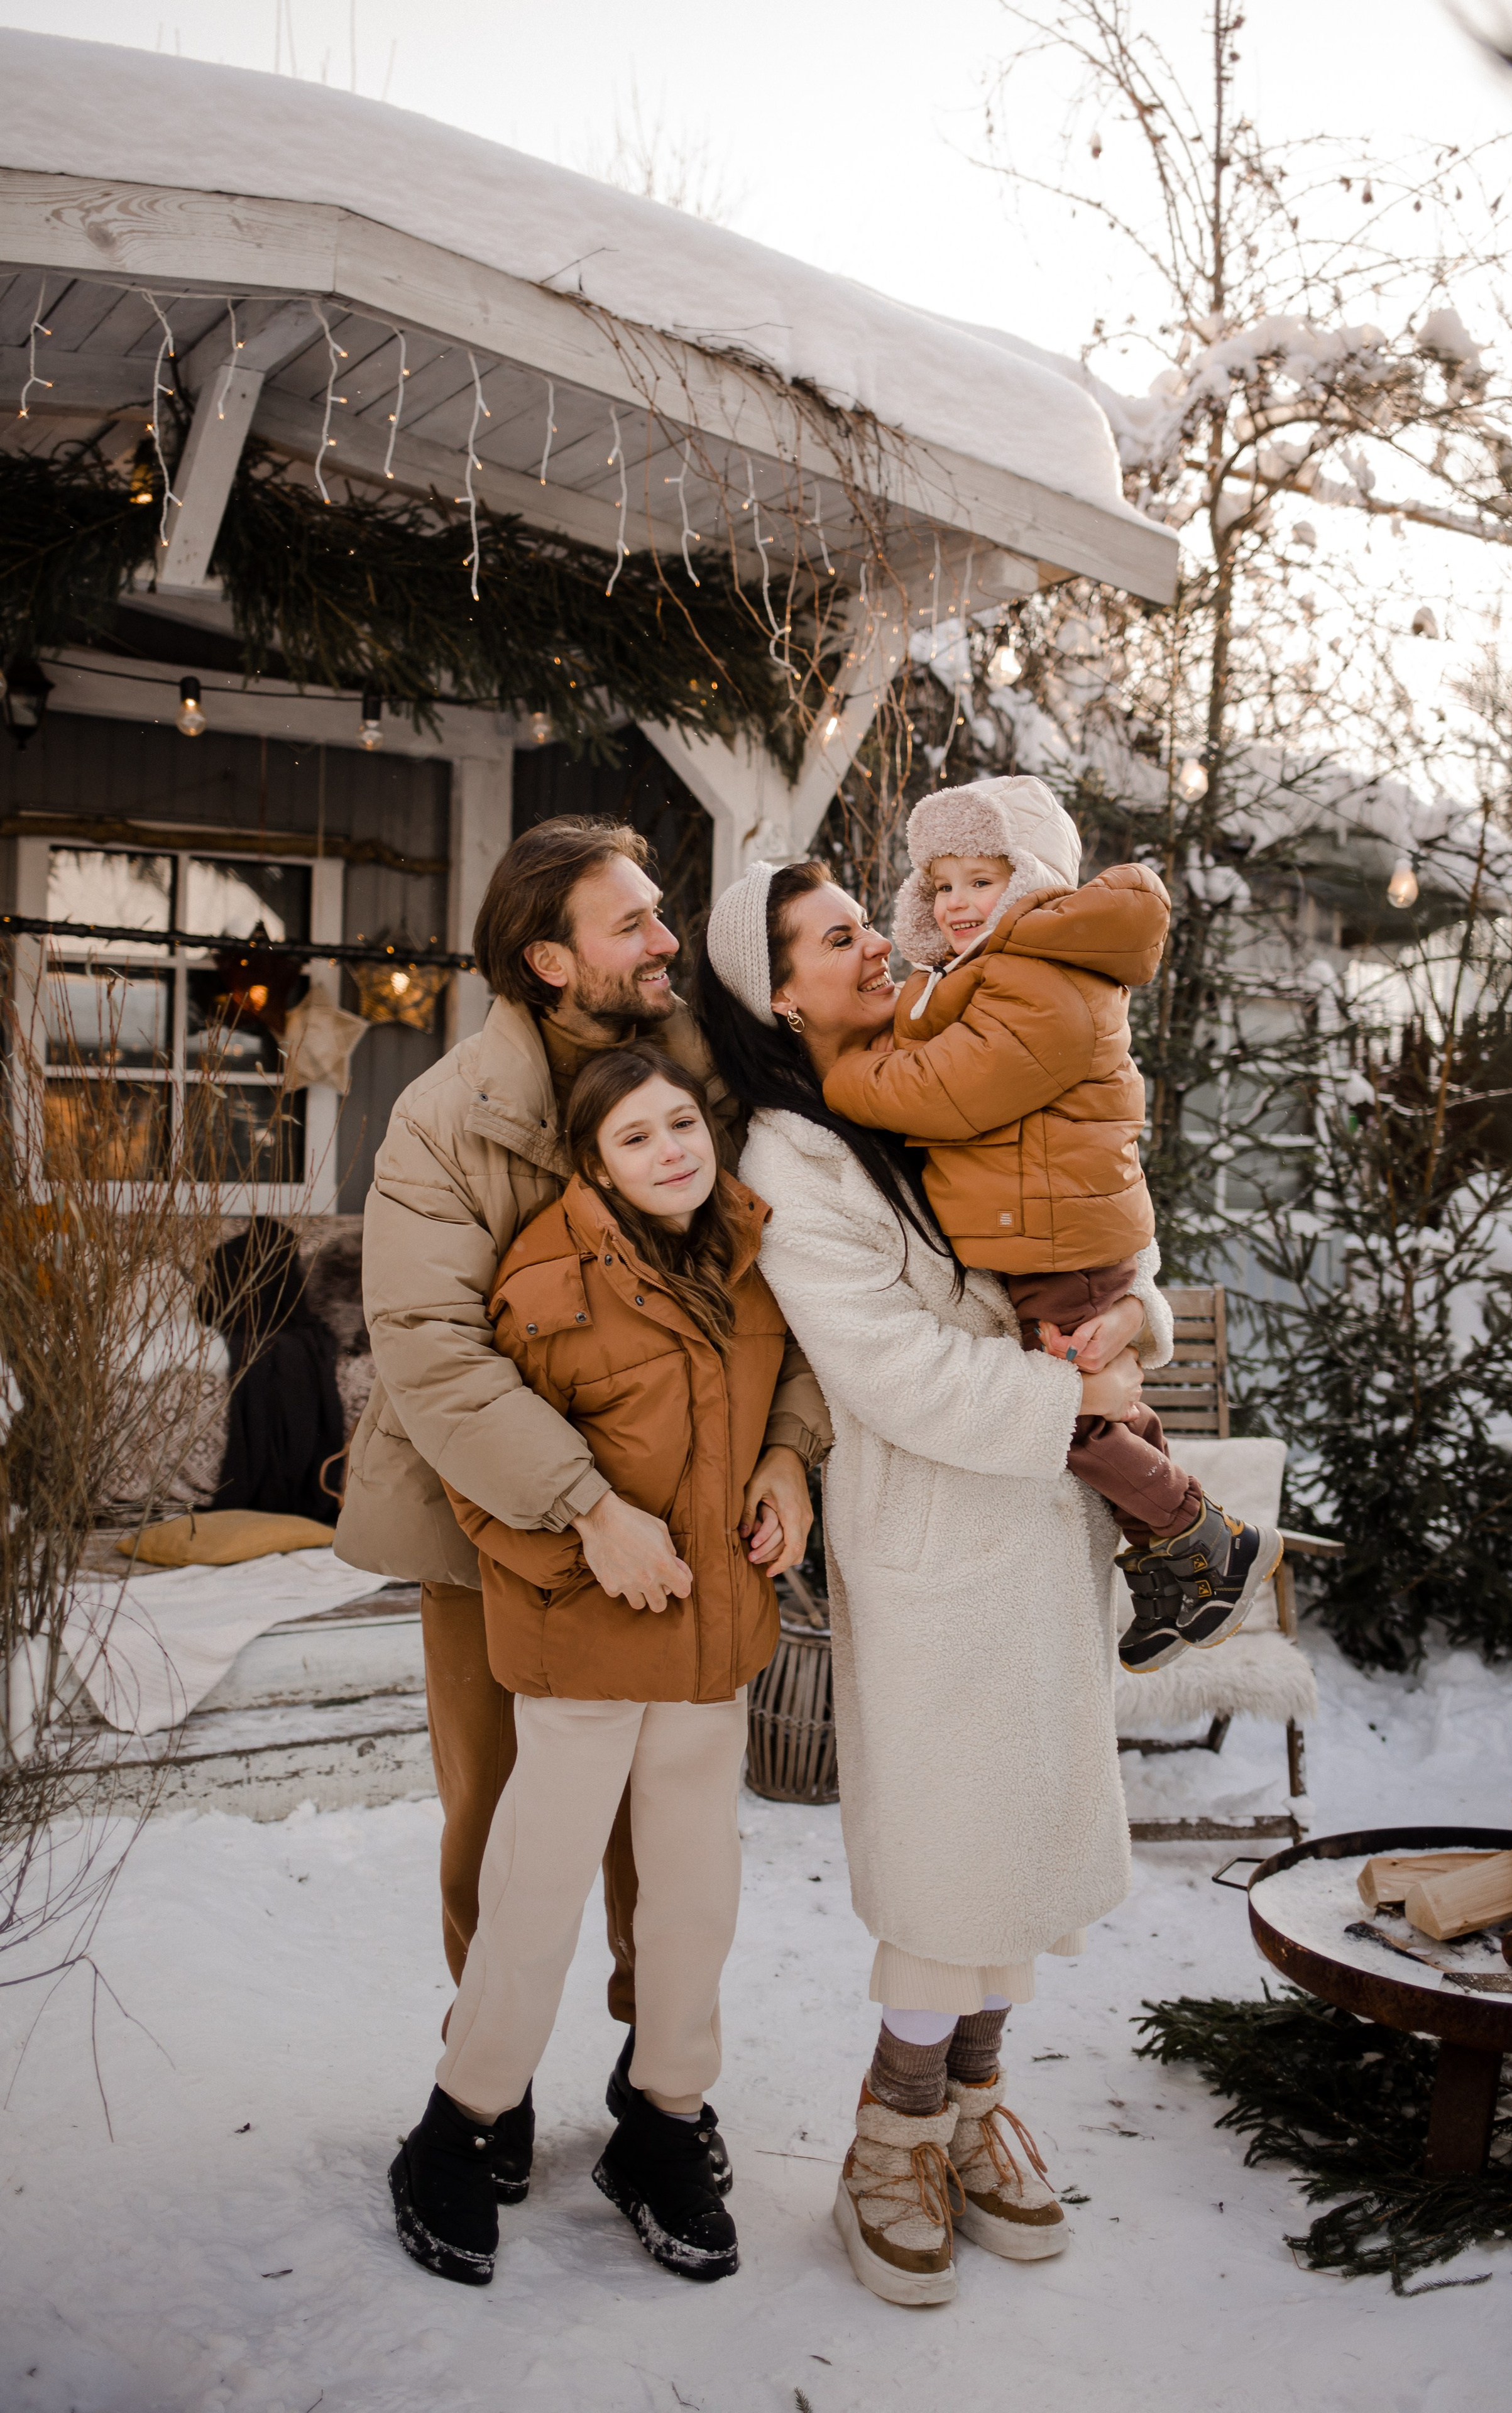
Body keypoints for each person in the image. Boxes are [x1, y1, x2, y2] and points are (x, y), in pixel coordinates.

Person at [696, 857, 1172, 2308]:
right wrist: (1072, 1402)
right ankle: (890, 2132)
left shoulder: (946, 1064)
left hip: (1044, 1526)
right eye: (832, 938)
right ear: (776, 995)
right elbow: (885, 1368)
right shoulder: (791, 1153)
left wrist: (1131, 1319)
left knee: (1019, 1837)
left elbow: (1089, 1205)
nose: (871, 943)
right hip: (939, 1535)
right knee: (945, 1857)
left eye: (864, 920)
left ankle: (972, 2109)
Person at [335, 819, 829, 2206]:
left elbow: (784, 1296)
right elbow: (431, 1347)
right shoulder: (449, 1117)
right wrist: (582, 1505)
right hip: (489, 1517)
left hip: (693, 1524)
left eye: (660, 914)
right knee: (505, 1813)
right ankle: (483, 2083)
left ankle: (651, 2080)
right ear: (550, 961)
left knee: (670, 1836)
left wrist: (789, 1455)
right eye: (633, 925)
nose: (668, 941)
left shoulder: (703, 1087)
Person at [389, 1047, 802, 2287]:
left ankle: (664, 2121)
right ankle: (459, 2123)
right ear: (593, 1167)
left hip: (714, 1641)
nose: (671, 1151)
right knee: (536, 1893)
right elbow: (478, 1469)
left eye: (682, 1124)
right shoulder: (545, 1281)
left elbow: (796, 1376)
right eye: (635, 1137)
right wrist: (588, 1534)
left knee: (693, 1897)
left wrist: (789, 1463)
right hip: (586, 1646)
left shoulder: (746, 1251)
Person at [821, 775, 1282, 1677]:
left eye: (980, 880)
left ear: (1030, 880)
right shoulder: (1002, 968)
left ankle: (1199, 1534)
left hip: (1060, 1238)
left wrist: (842, 1075)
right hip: (1053, 1233)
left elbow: (947, 1090)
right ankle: (1171, 1561)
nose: (954, 903)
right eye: (940, 884)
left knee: (1064, 1416)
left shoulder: (1041, 976)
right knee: (1104, 1399)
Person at [198, 1218, 344, 1523]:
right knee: (282, 1352)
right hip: (256, 1325)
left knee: (283, 1353)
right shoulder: (236, 1263)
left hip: (264, 1327)